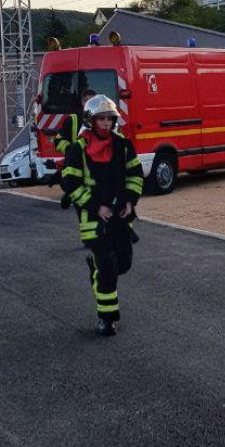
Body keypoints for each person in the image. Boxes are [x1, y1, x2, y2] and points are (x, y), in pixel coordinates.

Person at [58, 94, 144, 336]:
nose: (106, 123)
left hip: (120, 216)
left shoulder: (123, 144)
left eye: (110, 118)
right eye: (101, 118)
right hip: (94, 219)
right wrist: (96, 206)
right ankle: (107, 319)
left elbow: (136, 174)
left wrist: (130, 200)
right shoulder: (79, 148)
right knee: (107, 267)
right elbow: (70, 183)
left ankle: (94, 268)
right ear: (91, 120)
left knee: (123, 263)